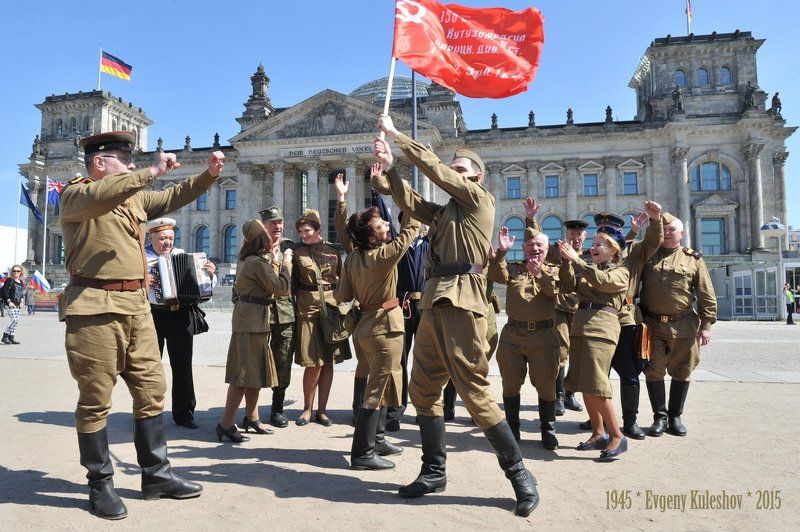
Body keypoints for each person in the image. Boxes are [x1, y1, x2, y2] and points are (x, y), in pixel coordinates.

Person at [375, 115, 539, 518]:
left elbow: (435, 169)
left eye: (461, 170)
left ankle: (520, 475)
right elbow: (412, 203)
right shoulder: (448, 213)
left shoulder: (479, 201)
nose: (454, 174)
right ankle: (433, 471)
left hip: (464, 299)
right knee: (424, 390)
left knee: (475, 391)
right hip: (435, 299)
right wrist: (391, 167)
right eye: (455, 169)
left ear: (477, 178)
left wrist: (398, 137)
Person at [59, 131, 221, 519]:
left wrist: (209, 176)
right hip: (95, 307)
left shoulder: (132, 197)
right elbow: (106, 195)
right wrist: (150, 170)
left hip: (136, 305)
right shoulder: (76, 195)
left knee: (152, 389)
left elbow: (169, 198)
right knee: (96, 399)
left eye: (134, 160)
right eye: (124, 159)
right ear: (100, 163)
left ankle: (157, 475)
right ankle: (100, 483)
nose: (131, 164)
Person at [334, 175, 420, 470]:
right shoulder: (384, 255)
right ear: (372, 237)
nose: (386, 223)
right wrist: (403, 190)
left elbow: (342, 294)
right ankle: (361, 454)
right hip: (386, 328)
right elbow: (413, 227)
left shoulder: (353, 259)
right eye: (380, 223)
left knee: (385, 382)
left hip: (365, 328)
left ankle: (379, 438)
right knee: (377, 389)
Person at [640, 213, 717, 437]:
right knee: (653, 371)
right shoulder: (648, 255)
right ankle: (660, 417)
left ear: (681, 234)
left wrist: (706, 326)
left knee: (682, 372)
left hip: (684, 325)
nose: (666, 232)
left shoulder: (693, 259)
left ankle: (675, 417)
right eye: (663, 229)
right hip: (652, 325)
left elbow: (706, 294)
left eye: (671, 229)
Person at [217, 219, 292, 443]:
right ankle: (226, 424)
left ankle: (252, 417)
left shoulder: (247, 259)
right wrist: (285, 262)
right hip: (251, 322)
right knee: (242, 376)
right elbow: (280, 288)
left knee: (254, 373)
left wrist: (274, 260)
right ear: (262, 239)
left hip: (252, 320)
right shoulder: (256, 263)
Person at [558, 227, 630, 460]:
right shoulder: (589, 268)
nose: (593, 247)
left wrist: (576, 260)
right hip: (581, 327)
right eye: (594, 243)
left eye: (600, 244)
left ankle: (617, 435)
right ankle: (598, 433)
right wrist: (566, 261)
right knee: (584, 383)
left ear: (613, 250)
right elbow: (569, 285)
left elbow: (602, 282)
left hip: (601, 329)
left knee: (597, 384)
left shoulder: (620, 272)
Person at [488, 226, 561, 450]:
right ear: (523, 248)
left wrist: (539, 273)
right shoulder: (514, 269)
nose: (535, 248)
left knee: (547, 386)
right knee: (510, 385)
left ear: (547, 249)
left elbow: (553, 291)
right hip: (513, 336)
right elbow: (496, 274)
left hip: (543, 336)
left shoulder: (555, 270)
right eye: (530, 245)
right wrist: (501, 251)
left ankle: (547, 429)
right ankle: (512, 428)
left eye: (540, 245)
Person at [596, 205, 663, 440]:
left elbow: (654, 241)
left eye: (613, 230)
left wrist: (655, 221)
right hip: (597, 321)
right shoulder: (594, 253)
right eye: (604, 230)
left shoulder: (633, 252)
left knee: (629, 373)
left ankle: (630, 421)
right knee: (597, 375)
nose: (608, 234)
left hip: (624, 319)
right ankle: (599, 420)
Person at [146, 217, 217, 429]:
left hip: (180, 315)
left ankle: (184, 412)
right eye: (162, 238)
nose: (167, 242)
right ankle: (149, 413)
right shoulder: (141, 258)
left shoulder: (182, 256)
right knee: (149, 367)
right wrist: (142, 280)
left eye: (170, 238)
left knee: (183, 366)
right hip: (152, 315)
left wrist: (209, 275)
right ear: (151, 238)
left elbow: (202, 287)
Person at [524, 199, 585, 415]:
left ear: (583, 238)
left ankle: (570, 394)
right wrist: (531, 218)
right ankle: (559, 395)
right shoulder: (555, 252)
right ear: (566, 235)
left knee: (578, 354)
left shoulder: (589, 257)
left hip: (582, 312)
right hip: (560, 309)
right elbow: (536, 242)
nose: (575, 238)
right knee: (560, 353)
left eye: (579, 235)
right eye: (571, 234)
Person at [293, 209, 351, 426]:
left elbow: (342, 281)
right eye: (300, 231)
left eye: (307, 230)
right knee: (313, 363)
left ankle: (322, 411)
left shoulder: (333, 252)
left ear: (318, 229)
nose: (303, 235)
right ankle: (307, 409)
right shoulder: (296, 253)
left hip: (331, 312)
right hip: (307, 312)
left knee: (328, 363)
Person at [259, 206, 297, 427]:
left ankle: (277, 408)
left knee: (283, 360)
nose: (278, 227)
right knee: (255, 361)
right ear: (264, 225)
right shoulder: (254, 249)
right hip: (261, 313)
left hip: (285, 314)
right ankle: (252, 411)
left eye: (280, 222)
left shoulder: (289, 247)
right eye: (273, 223)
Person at [1, 265, 26, 344]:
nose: (16, 272)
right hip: (10, 304)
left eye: (18, 271)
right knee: (14, 320)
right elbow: (4, 291)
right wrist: (9, 301)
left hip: (18, 304)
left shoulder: (21, 282)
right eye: (14, 271)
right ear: (12, 272)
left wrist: (22, 301)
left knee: (16, 321)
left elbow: (21, 293)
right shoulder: (9, 280)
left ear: (21, 272)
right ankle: (5, 336)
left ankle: (11, 337)